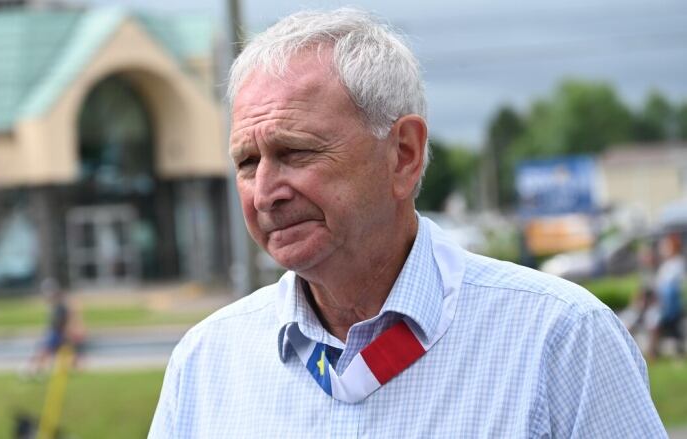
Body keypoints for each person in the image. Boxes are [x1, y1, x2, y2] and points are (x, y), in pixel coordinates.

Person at [149, 8, 666, 437]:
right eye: (246, 162)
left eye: (296, 151)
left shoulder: (560, 339)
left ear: (403, 155)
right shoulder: (207, 362)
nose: (265, 193)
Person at [648, 233, 685, 361]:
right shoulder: (666, 264)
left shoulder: (676, 263)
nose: (663, 249)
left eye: (666, 246)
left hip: (669, 305)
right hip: (663, 303)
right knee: (675, 331)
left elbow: (669, 286)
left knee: (656, 324)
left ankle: (653, 353)